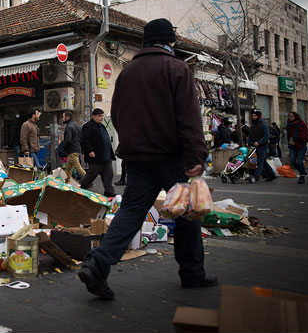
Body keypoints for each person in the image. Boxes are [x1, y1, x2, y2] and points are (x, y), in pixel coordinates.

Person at [77, 18, 216, 301]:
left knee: (130, 212)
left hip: (138, 159)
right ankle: (191, 273)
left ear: (145, 42)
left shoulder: (127, 73)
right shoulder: (177, 68)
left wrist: (129, 149)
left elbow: (119, 115)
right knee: (187, 215)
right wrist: (196, 154)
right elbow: (188, 117)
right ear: (170, 41)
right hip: (171, 157)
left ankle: (98, 263)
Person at [78, 108, 116, 198]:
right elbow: (85, 140)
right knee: (92, 174)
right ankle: (80, 187)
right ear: (93, 116)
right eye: (99, 116)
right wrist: (90, 150)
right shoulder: (88, 126)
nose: (101, 118)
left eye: (102, 116)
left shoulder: (101, 126)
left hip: (106, 156)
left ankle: (109, 192)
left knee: (108, 174)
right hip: (96, 156)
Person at [247, 110, 276, 182]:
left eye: (254, 116)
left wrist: (259, 142)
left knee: (260, 161)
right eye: (252, 116)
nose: (253, 117)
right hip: (255, 145)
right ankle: (272, 174)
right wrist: (248, 142)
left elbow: (266, 136)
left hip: (262, 146)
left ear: (258, 116)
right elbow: (250, 135)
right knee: (263, 161)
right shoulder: (253, 125)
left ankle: (256, 177)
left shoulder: (264, 125)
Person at [286, 112, 308, 184]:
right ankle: (303, 171)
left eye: (291, 116)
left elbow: (305, 134)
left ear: (295, 116)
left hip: (300, 145)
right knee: (292, 161)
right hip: (292, 145)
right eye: (289, 116)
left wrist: (301, 140)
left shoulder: (300, 124)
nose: (290, 117)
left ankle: (302, 176)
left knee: (299, 160)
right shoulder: (289, 125)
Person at [61, 110, 85, 181]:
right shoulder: (77, 125)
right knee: (68, 168)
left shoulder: (69, 127)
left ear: (67, 117)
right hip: (76, 149)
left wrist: (64, 148)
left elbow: (68, 140)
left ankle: (88, 180)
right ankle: (67, 182)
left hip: (72, 150)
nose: (62, 118)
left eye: (63, 117)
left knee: (78, 167)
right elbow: (81, 138)